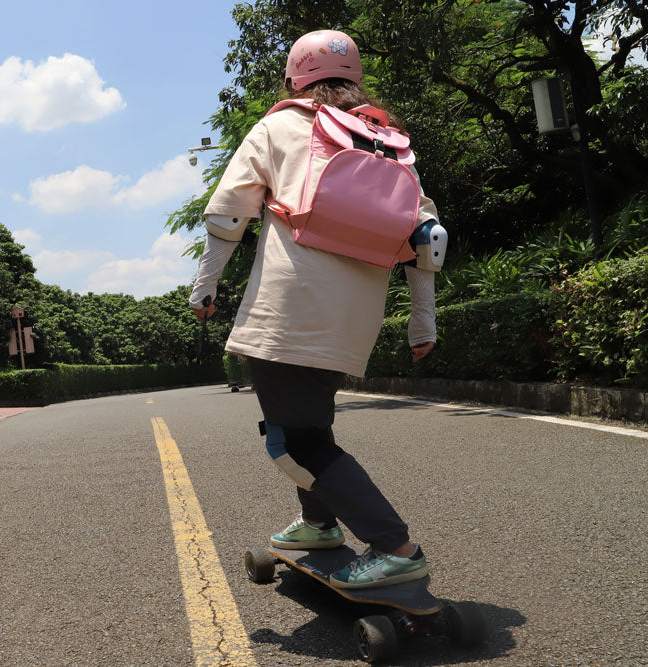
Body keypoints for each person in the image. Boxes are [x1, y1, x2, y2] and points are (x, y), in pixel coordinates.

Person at [188, 29, 440, 589]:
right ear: (355, 80)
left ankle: (395, 547)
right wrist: (422, 320)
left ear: (292, 78)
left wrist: (205, 287)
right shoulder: (388, 139)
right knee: (312, 422)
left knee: (293, 441)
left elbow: (229, 216)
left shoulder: (279, 124)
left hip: (288, 311)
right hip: (355, 322)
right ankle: (318, 523)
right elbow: (429, 237)